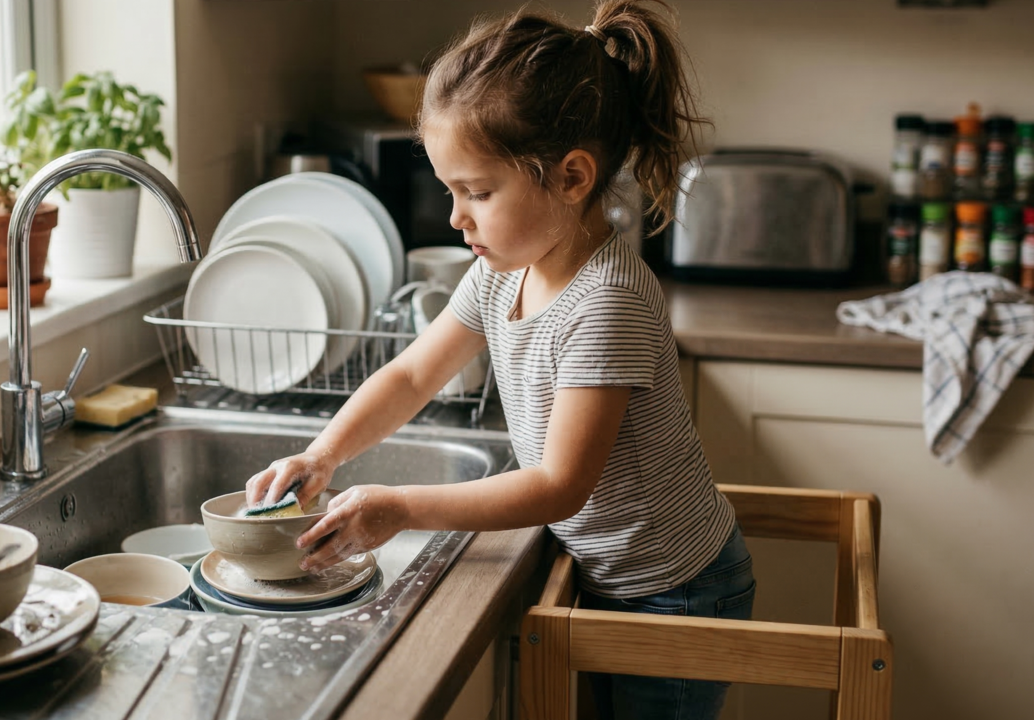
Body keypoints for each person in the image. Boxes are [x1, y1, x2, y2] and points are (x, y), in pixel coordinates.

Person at [245, 2, 754, 717]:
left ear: (573, 177)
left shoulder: (606, 303)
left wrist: (400, 508)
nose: (456, 218)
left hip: (677, 590)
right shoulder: (501, 270)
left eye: (477, 192)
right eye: (452, 191)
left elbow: (557, 487)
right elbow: (412, 374)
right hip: (615, 574)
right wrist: (323, 453)